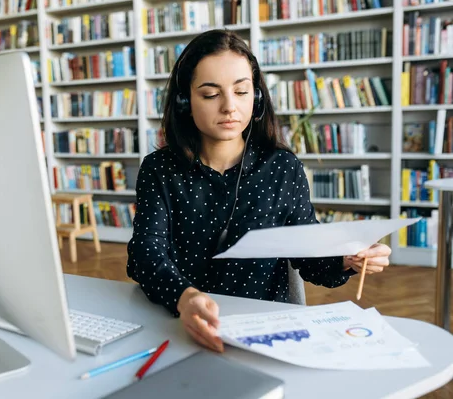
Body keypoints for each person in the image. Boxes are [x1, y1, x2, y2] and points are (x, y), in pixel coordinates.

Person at [126, 29, 391, 353]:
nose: (229, 107)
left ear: (257, 97)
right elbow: (144, 253)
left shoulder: (282, 168)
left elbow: (309, 256)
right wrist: (185, 297)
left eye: (241, 91)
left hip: (266, 332)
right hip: (183, 323)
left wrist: (347, 258)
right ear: (185, 101)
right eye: (211, 95)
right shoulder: (159, 168)